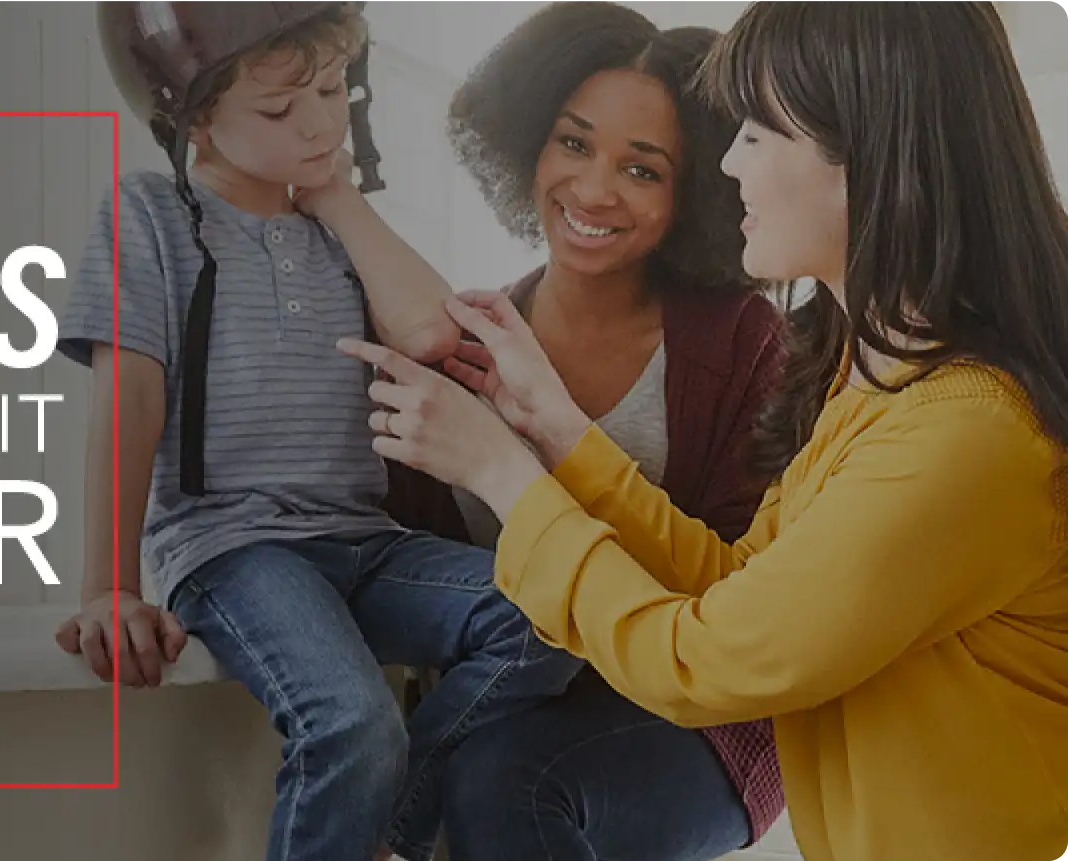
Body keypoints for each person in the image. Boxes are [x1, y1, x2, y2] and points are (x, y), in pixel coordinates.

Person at [339, 0, 1068, 858]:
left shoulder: (966, 435)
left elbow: (706, 658)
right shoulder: (877, 384)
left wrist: (509, 475)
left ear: (865, 150)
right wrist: (560, 429)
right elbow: (736, 584)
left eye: (758, 133)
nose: (728, 162)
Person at [52, 2, 583, 859]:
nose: (321, 120)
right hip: (238, 549)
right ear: (194, 121)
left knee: (551, 613)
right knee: (352, 721)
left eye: (334, 89)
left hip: (364, 544)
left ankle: (390, 836)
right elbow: (130, 403)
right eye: (278, 109)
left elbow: (430, 332)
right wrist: (108, 588)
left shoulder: (339, 234)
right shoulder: (148, 217)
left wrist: (336, 194)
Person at [321, 2, 794, 858]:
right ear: (530, 140)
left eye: (642, 170)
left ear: (692, 196)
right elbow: (396, 561)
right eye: (573, 144)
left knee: (505, 779)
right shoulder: (459, 346)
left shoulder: (743, 344)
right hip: (507, 716)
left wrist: (526, 459)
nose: (593, 189)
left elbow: (741, 603)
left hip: (693, 717)